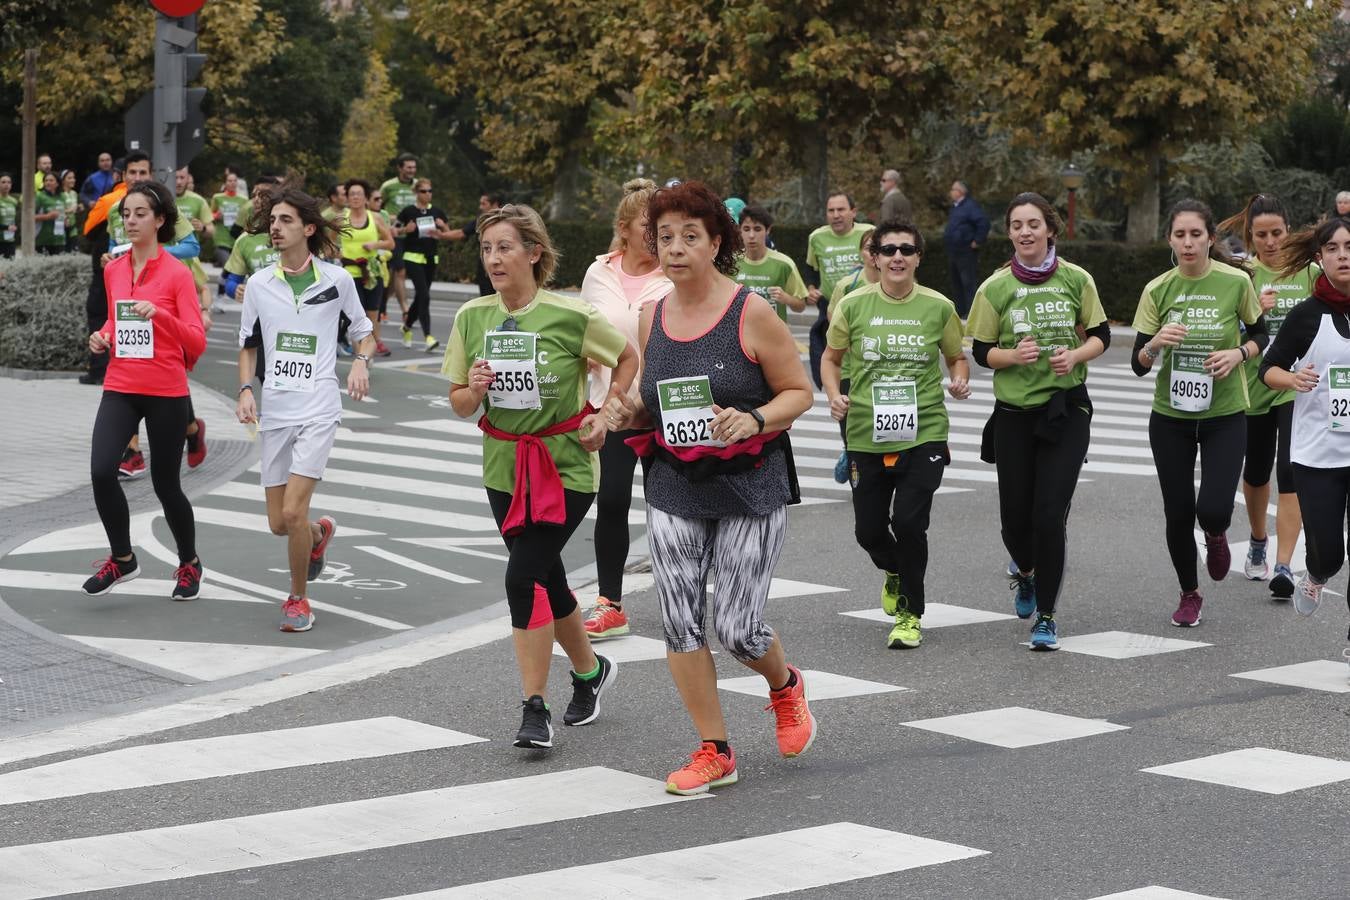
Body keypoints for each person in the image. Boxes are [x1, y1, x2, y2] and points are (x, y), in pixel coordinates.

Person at [605, 181, 816, 795]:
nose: (674, 249)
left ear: (716, 242)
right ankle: (714, 748)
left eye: (688, 236)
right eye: (663, 237)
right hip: (675, 480)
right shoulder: (651, 314)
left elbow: (798, 393)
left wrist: (753, 419)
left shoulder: (751, 311)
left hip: (750, 484)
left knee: (738, 628)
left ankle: (785, 686)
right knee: (679, 620)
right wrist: (625, 413)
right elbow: (652, 397)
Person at [445, 203, 635, 750]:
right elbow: (458, 403)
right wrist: (474, 389)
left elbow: (626, 357)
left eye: (505, 247)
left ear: (534, 253)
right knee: (546, 574)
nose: (494, 259)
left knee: (521, 577)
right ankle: (590, 672)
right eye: (486, 249)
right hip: (504, 466)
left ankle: (534, 709)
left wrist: (608, 412)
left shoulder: (569, 315)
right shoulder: (472, 318)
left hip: (566, 465)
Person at [966, 193, 1110, 649]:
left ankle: (1046, 616)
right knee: (1014, 522)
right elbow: (981, 351)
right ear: (1009, 233)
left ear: (1049, 229)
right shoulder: (994, 287)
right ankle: (1024, 572)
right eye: (1016, 225)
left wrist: (1077, 354)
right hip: (1013, 415)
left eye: (1033, 224)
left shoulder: (1076, 279)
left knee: (1050, 515)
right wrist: (1013, 355)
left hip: (1066, 410)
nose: (1025, 232)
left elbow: (1101, 335)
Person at [823, 221, 970, 650]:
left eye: (907, 249)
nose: (897, 257)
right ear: (875, 257)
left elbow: (956, 357)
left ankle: (910, 613)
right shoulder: (854, 305)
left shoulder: (939, 306)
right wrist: (834, 395)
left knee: (908, 522)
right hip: (867, 431)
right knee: (868, 531)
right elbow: (831, 360)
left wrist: (959, 381)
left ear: (919, 256)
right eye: (888, 250)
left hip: (924, 429)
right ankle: (894, 570)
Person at [237, 186, 376, 633]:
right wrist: (244, 389)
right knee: (280, 523)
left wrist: (360, 361)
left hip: (319, 407)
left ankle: (299, 599)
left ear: (308, 229)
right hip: (276, 409)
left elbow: (364, 332)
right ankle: (318, 536)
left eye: (285, 221)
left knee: (294, 511)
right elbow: (248, 345)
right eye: (272, 220)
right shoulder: (259, 284)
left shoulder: (337, 281)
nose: (275, 227)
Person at [1132, 199, 1267, 628]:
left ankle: (1215, 532)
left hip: (1224, 412)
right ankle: (1189, 593)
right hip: (1170, 415)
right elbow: (1138, 363)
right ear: (1170, 240)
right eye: (1179, 235)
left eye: (1195, 234)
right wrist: (1155, 345)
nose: (1188, 243)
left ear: (1210, 238)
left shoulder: (1235, 282)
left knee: (1211, 508)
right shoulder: (1158, 288)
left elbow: (1262, 333)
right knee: (1177, 509)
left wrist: (1238, 353)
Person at [81, 180, 205, 601]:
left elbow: (196, 341)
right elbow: (116, 322)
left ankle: (189, 562)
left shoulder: (177, 274)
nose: (130, 221)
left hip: (166, 389)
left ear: (160, 220)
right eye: (126, 214)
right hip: (121, 384)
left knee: (165, 483)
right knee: (101, 472)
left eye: (139, 214)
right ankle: (123, 558)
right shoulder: (114, 269)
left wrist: (161, 317)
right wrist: (102, 336)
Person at [578, 178, 672, 641]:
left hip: (663, 409)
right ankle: (610, 603)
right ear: (625, 229)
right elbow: (581, 329)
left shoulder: (676, 273)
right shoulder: (598, 273)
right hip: (612, 407)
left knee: (673, 508)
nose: (659, 234)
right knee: (611, 500)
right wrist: (587, 355)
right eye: (649, 225)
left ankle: (683, 596)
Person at [1217, 195, 1316, 599]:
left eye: (1277, 233)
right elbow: (1224, 335)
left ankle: (1284, 564)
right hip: (1253, 387)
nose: (1270, 241)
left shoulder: (1310, 274)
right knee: (1256, 473)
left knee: (1290, 471)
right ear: (1250, 237)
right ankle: (1259, 540)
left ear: (1288, 231)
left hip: (1297, 387)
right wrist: (1252, 313)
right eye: (1261, 235)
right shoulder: (1242, 277)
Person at [1259, 217, 1350, 638]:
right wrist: (1292, 379)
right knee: (1330, 552)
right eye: (1332, 248)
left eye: (1349, 247)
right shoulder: (1307, 316)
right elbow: (1268, 369)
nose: (1343, 255)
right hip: (1318, 454)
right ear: (1320, 258)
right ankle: (1315, 572)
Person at [825, 229, 882, 484]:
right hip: (850, 370)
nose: (872, 254)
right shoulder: (847, 285)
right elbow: (832, 320)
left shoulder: (898, 283)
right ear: (861, 252)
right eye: (868, 248)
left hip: (882, 372)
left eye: (877, 248)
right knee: (851, 431)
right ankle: (850, 457)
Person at [805, 192, 873, 387]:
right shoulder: (817, 237)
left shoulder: (869, 232)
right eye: (831, 210)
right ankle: (836, 390)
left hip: (865, 302)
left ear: (853, 212)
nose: (836, 215)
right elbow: (810, 267)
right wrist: (811, 288)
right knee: (832, 351)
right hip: (830, 305)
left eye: (841, 209)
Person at [395, 177, 452, 352]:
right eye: (424, 191)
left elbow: (449, 234)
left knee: (421, 296)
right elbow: (394, 230)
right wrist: (406, 230)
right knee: (424, 295)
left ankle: (406, 326)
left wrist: (442, 228)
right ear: (416, 193)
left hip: (430, 258)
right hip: (412, 257)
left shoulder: (437, 211)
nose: (428, 194)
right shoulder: (408, 212)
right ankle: (428, 336)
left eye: (430, 191)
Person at [339, 178, 395, 357]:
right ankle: (360, 356)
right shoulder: (341, 219)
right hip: (350, 273)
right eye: (352, 194)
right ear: (347, 198)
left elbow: (390, 243)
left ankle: (370, 351)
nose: (355, 197)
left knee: (372, 314)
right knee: (356, 316)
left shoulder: (375, 218)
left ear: (366, 198)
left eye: (359, 194)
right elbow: (329, 243)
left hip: (372, 272)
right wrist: (334, 252)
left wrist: (375, 245)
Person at [734, 204, 808, 323]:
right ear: (740, 231)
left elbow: (801, 306)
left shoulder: (784, 264)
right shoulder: (730, 263)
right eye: (746, 229)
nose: (751, 235)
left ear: (768, 230)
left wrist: (786, 298)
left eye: (757, 229)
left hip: (773, 337)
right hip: (738, 337)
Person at [943, 181, 991, 318]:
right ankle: (960, 311)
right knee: (956, 282)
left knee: (968, 282)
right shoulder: (956, 207)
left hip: (966, 251)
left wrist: (977, 240)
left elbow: (983, 222)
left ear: (961, 192)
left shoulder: (970, 206)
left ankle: (972, 312)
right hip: (954, 251)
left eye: (953, 189)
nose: (951, 192)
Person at [380, 153, 419, 319]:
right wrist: (394, 219)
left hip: (413, 235)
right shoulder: (388, 186)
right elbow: (377, 209)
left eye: (414, 167)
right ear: (400, 168)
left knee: (391, 278)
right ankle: (405, 310)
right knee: (400, 272)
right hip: (394, 235)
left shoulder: (418, 185)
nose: (412, 171)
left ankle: (381, 306)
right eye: (409, 167)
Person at [446, 191, 504, 296]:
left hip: (504, 264)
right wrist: (441, 234)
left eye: (484, 203)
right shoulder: (482, 220)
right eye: (480, 203)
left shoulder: (509, 221)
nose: (480, 207)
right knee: (486, 297)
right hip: (485, 265)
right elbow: (462, 233)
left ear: (495, 204)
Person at [210, 170, 251, 270]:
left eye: (234, 181)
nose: (232, 183)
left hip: (237, 239)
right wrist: (216, 216)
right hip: (221, 239)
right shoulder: (217, 197)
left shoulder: (244, 199)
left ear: (237, 182)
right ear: (225, 183)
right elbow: (209, 216)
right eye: (229, 181)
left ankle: (222, 285)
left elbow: (247, 218)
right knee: (228, 267)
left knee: (231, 271)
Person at [34, 172, 66, 255]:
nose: (48, 182)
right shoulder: (39, 196)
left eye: (51, 180)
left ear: (57, 183)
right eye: (46, 180)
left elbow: (63, 213)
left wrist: (66, 220)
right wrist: (47, 217)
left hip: (60, 239)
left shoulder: (62, 196)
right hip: (43, 239)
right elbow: (29, 217)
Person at [60, 170, 80, 253]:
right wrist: (71, 210)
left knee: (74, 251)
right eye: (69, 178)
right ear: (63, 180)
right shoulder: (60, 194)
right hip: (62, 228)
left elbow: (75, 209)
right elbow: (58, 210)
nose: (73, 180)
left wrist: (79, 208)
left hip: (73, 227)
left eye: (73, 178)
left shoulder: (74, 193)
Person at [0, 173, 17, 258]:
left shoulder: (13, 201)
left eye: (9, 182)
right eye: (3, 182)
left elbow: (14, 220)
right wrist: (6, 227)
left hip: (10, 240)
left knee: (10, 268)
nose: (6, 185)